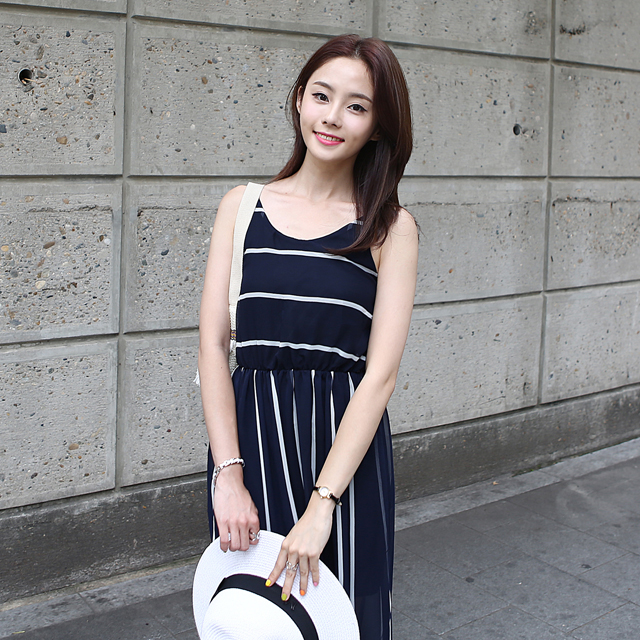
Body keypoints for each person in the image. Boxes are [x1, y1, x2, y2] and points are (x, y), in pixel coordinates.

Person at [197, 34, 417, 640]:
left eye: (357, 105)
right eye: (322, 96)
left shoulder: (389, 228)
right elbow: (214, 346)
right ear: (299, 99)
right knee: (254, 619)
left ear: (377, 126)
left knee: (345, 618)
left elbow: (380, 376)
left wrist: (323, 507)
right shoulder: (241, 208)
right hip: (251, 450)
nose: (333, 116)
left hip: (344, 464)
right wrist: (228, 477)